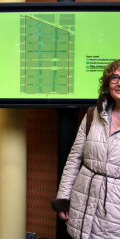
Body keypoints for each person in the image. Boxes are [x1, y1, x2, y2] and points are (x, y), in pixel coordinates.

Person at [51, 59, 120, 239]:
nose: (119, 83)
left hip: (114, 211)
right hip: (83, 203)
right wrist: (64, 199)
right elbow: (74, 159)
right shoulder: (93, 114)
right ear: (107, 83)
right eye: (115, 78)